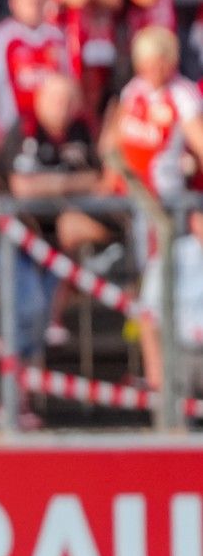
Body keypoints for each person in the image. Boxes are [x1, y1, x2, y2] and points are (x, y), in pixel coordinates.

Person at [103, 26, 203, 391]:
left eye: (154, 62)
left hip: (164, 209)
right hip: (131, 203)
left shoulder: (182, 95)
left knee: (158, 292)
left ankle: (165, 377)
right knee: (146, 291)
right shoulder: (134, 91)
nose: (148, 70)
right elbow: (114, 142)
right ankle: (155, 372)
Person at [4, 72, 109, 382]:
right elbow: (22, 187)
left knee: (38, 313)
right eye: (54, 99)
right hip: (20, 237)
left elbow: (98, 180)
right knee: (26, 314)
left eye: (67, 100)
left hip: (56, 241)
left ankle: (28, 396)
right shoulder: (25, 129)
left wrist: (50, 184)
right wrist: (67, 183)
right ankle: (12, 400)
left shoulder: (79, 130)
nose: (61, 107)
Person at [0, 0, 69, 151]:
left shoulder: (58, 38)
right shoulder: (0, 38)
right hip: (10, 132)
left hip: (48, 132)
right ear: (13, 1)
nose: (33, 3)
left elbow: (68, 87)